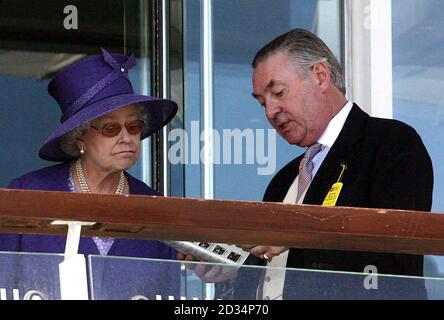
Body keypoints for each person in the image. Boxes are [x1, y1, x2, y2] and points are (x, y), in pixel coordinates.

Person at [230, 28, 434, 300]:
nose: (270, 112)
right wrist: (232, 264)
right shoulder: (284, 179)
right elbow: (277, 269)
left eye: (278, 92)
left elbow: (393, 244)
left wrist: (298, 233)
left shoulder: (390, 144)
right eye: (262, 102)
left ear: (320, 76)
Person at [0, 49, 180, 299]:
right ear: (80, 138)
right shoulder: (29, 194)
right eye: (111, 128)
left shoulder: (156, 210)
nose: (126, 138)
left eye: (133, 125)